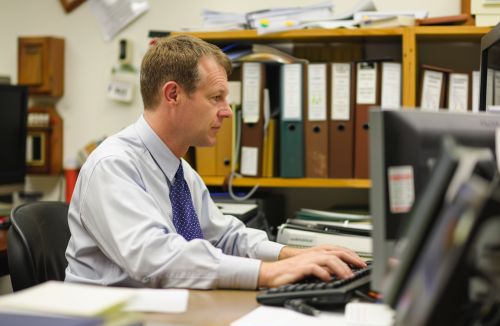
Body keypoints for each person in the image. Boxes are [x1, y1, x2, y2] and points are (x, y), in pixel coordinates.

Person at [65, 35, 366, 290]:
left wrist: (293, 255)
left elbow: (224, 238)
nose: (227, 111)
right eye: (216, 98)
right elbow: (155, 259)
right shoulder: (113, 166)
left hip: (165, 310)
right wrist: (269, 273)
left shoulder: (180, 171)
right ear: (173, 95)